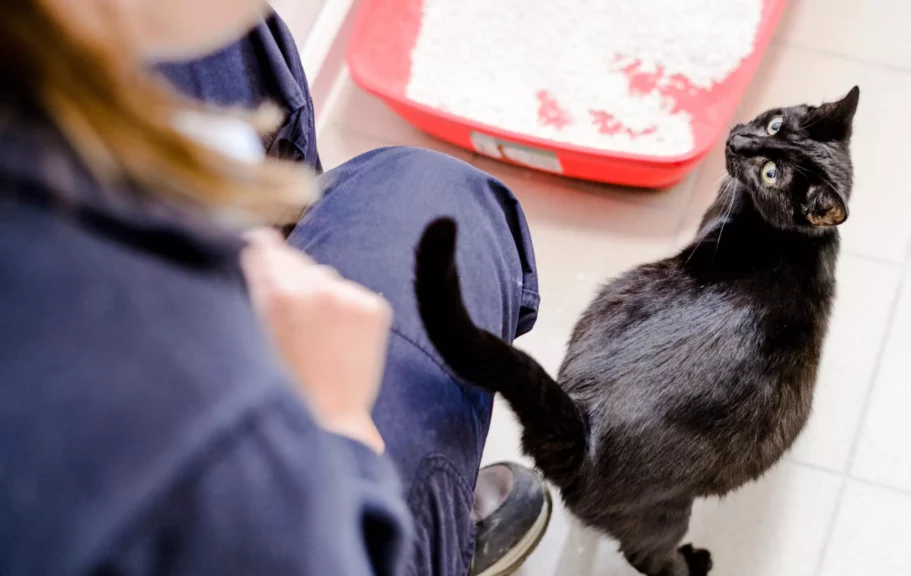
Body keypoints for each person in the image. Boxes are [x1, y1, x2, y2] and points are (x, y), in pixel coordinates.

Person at [0, 1, 550, 575]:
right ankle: (421, 538)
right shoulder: (204, 433)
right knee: (436, 199)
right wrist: (336, 422)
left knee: (229, 48)